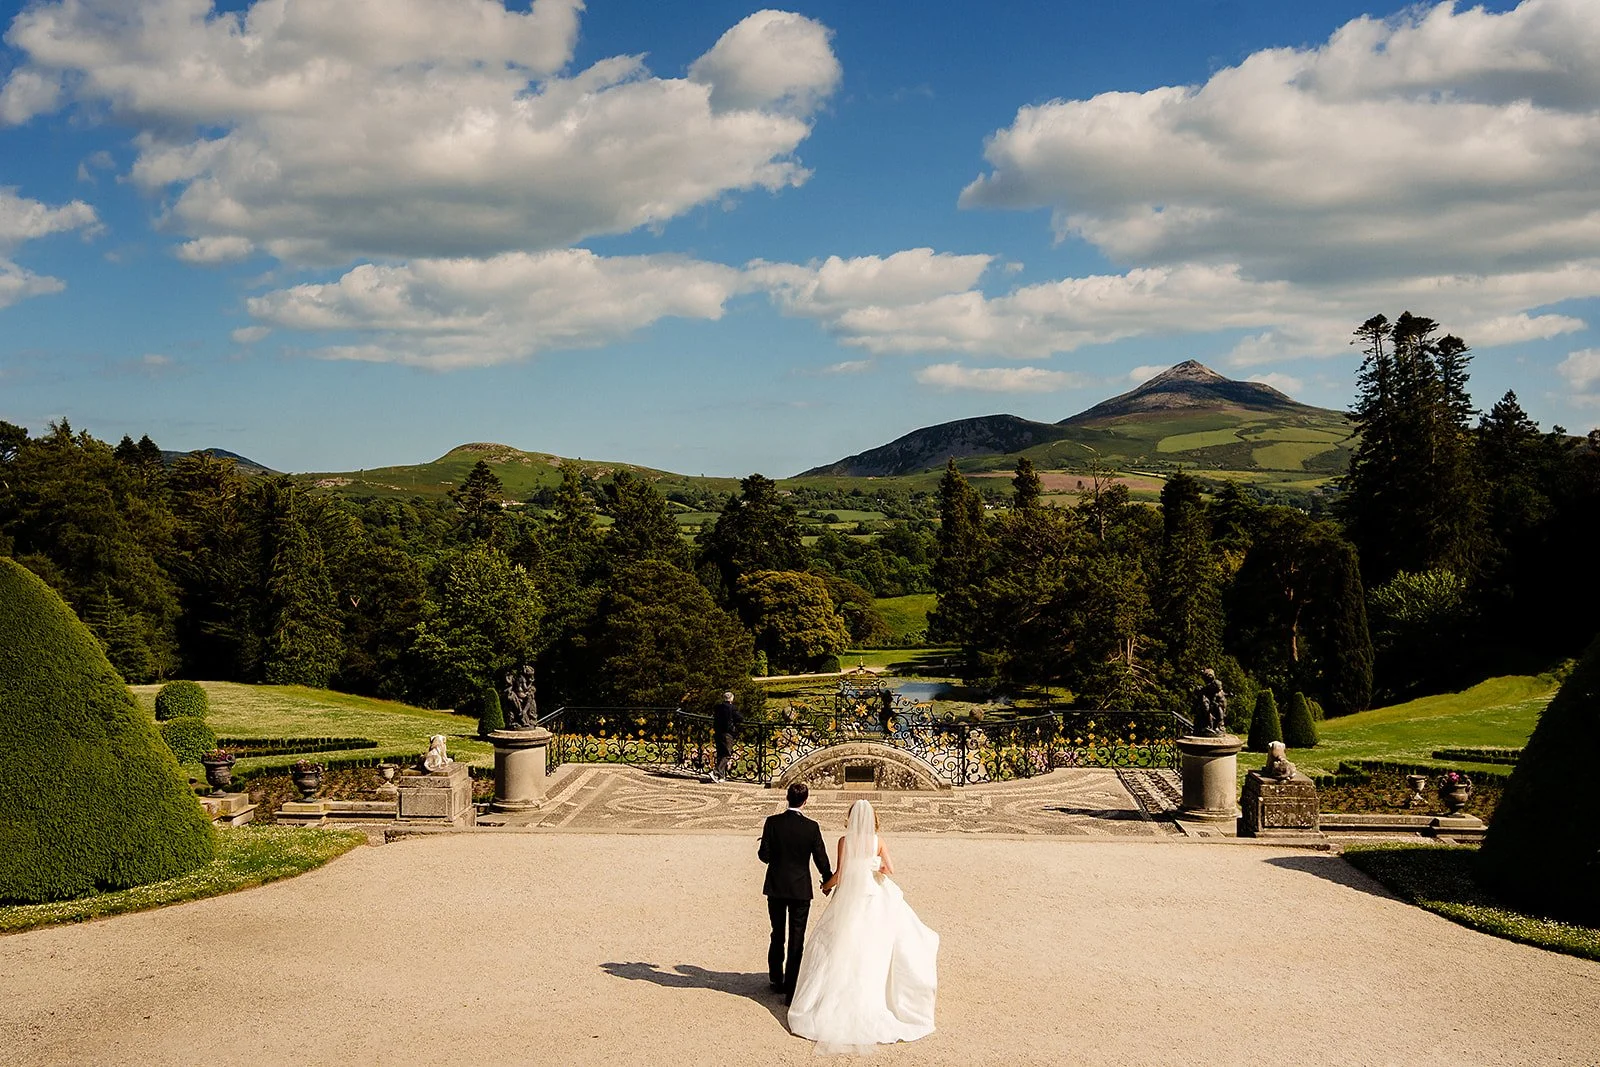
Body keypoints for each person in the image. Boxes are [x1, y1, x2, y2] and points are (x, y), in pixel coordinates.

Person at [787, 798, 939, 1051]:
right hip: (874, 895)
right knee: (874, 944)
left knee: (838, 943)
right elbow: (890, 869)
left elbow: (842, 873)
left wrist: (826, 885)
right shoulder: (878, 842)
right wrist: (872, 865)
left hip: (849, 897)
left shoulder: (844, 841)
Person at [758, 782, 833, 1004]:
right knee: (796, 938)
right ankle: (792, 989)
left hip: (777, 886)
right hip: (800, 888)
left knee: (777, 932)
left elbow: (765, 855)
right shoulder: (811, 827)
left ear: (787, 798)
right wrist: (827, 880)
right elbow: (821, 857)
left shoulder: (772, 823)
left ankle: (775, 979)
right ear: (805, 801)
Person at [712, 690, 741, 781]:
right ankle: (716, 771)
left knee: (720, 753)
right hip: (727, 733)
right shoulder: (732, 708)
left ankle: (721, 776)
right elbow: (740, 718)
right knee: (727, 754)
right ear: (731, 699)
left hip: (718, 732)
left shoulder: (718, 707)